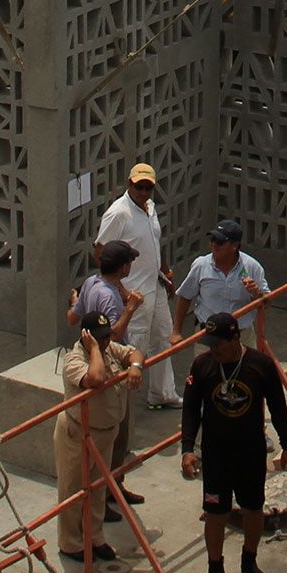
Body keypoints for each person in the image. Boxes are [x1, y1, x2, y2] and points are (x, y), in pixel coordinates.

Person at [179, 312, 287, 573]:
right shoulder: (203, 365)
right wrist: (187, 450)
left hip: (250, 452)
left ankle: (249, 562)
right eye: (209, 344)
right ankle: (215, 571)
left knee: (253, 509)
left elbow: (279, 407)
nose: (212, 349)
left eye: (218, 344)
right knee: (215, 513)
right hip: (216, 454)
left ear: (235, 338)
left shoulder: (261, 365)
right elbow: (191, 410)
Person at [55, 310, 144, 568]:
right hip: (79, 434)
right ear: (87, 337)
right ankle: (71, 544)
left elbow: (133, 353)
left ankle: (94, 538)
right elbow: (95, 378)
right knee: (73, 490)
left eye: (107, 337)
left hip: (105, 433)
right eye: (100, 338)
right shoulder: (75, 359)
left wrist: (135, 367)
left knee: (96, 490)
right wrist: (94, 348)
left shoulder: (108, 348)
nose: (106, 342)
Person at [97, 162, 181, 407]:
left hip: (154, 285)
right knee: (135, 346)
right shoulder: (118, 213)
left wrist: (164, 272)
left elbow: (154, 244)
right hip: (135, 292)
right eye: (139, 187)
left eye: (148, 188)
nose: (143, 192)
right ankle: (124, 405)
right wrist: (122, 291)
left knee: (163, 338)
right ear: (129, 184)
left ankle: (162, 394)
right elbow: (100, 253)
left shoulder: (150, 208)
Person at [176, 219, 270, 350]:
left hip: (241, 336)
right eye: (212, 239)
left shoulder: (252, 267)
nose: (214, 244)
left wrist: (257, 293)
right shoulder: (201, 265)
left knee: (245, 370)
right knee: (206, 370)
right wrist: (176, 332)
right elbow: (185, 296)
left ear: (235, 245)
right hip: (208, 334)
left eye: (220, 242)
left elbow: (267, 303)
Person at [67, 239, 144, 343]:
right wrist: (130, 309)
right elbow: (112, 339)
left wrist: (74, 302)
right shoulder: (108, 296)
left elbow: (72, 319)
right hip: (108, 357)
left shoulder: (90, 282)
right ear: (124, 268)